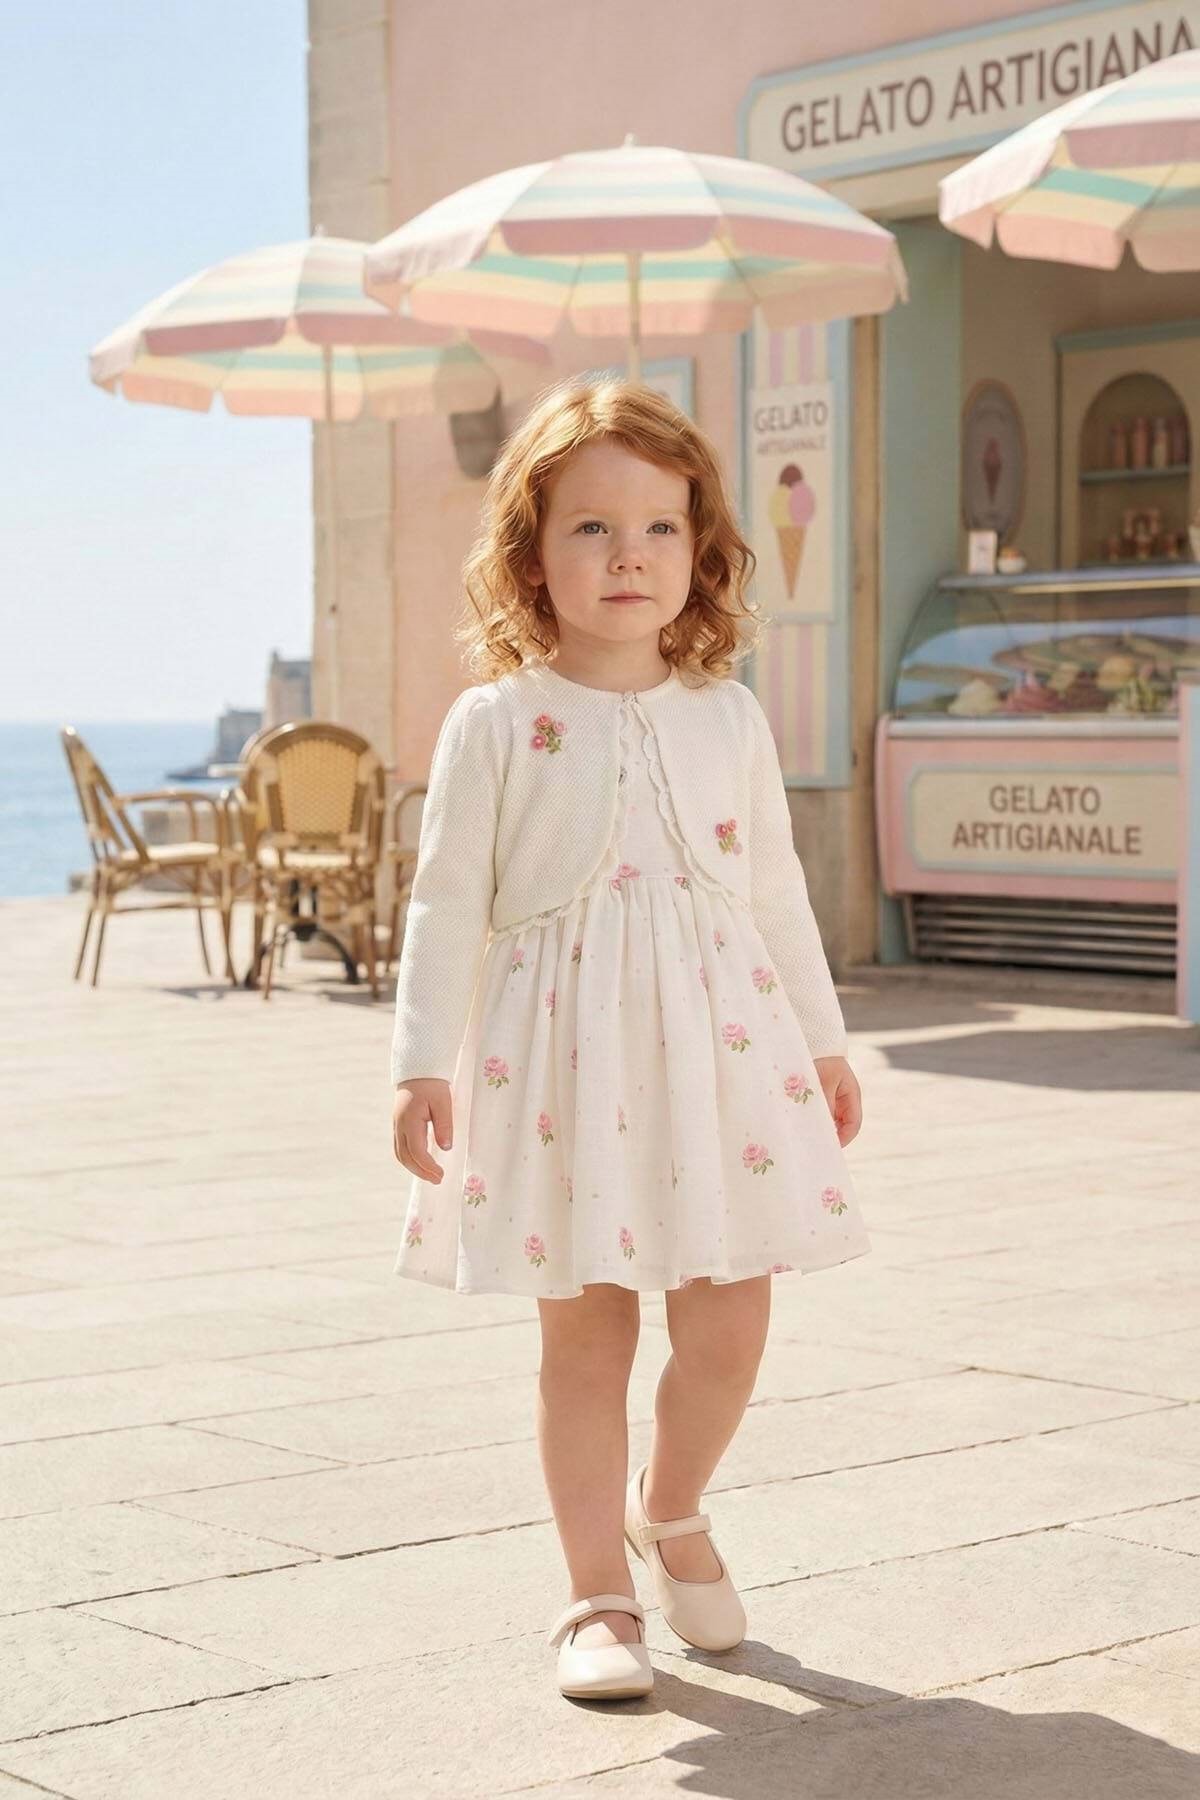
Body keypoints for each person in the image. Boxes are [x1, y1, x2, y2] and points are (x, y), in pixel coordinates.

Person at [390, 373, 871, 1701]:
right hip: (561, 1066)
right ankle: (597, 1593)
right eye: (592, 528)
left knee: (732, 1319)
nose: (628, 556)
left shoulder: (727, 713)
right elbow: (445, 899)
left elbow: (774, 889)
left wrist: (823, 1041)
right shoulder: (499, 721)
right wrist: (419, 1062)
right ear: (531, 553)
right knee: (586, 1337)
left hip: (721, 1058)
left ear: (700, 549)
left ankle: (673, 1508)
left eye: (660, 527)